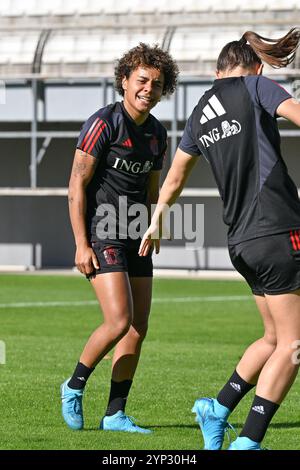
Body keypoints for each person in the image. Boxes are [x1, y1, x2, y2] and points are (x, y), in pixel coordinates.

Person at [139, 28, 300, 449]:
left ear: (217, 73)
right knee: (295, 344)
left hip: (241, 242)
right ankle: (249, 441)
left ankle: (217, 407)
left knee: (272, 338)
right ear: (256, 67)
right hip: (278, 230)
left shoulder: (201, 109)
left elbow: (174, 177)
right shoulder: (256, 86)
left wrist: (156, 220)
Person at [61, 43, 178, 433]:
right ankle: (74, 385)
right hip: (102, 231)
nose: (149, 88)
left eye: (157, 84)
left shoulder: (158, 134)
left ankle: (115, 413)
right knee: (118, 320)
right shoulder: (103, 123)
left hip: (135, 234)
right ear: (125, 81)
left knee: (138, 326)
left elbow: (153, 186)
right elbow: (77, 184)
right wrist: (80, 242)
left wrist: (155, 224)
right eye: (142, 80)